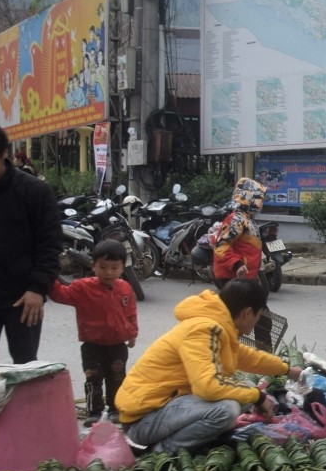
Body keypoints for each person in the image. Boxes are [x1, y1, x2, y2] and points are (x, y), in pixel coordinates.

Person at [116, 280, 302, 452]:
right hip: (142, 421)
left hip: (163, 409)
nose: (256, 323)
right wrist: (258, 396)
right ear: (247, 312)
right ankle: (160, 452)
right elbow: (208, 386)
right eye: (258, 316)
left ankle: (195, 437)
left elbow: (246, 357)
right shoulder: (203, 330)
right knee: (226, 409)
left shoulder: (218, 326)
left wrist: (286, 370)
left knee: (243, 394)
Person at [0, 120, 64, 373]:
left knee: (26, 370)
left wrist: (38, 289)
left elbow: (50, 244)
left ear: (3, 152)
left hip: (23, 299)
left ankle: (26, 415)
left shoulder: (35, 192)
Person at [48, 240, 139, 426]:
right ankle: (94, 412)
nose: (108, 272)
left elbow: (131, 312)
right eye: (103, 267)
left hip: (118, 346)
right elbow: (60, 294)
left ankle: (115, 409)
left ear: (123, 267)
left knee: (117, 379)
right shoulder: (82, 288)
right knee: (93, 379)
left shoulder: (125, 288)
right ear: (93, 266)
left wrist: (132, 333)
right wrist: (48, 276)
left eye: (114, 267)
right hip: (92, 347)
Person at [209, 178, 266, 288]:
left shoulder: (247, 219)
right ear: (247, 197)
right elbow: (221, 246)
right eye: (258, 198)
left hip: (245, 277)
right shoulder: (236, 220)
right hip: (233, 277)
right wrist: (237, 265)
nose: (260, 203)